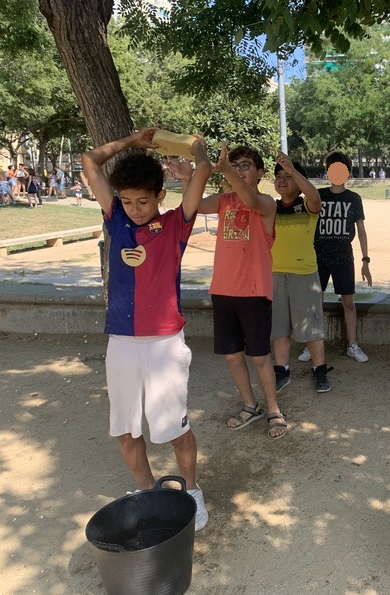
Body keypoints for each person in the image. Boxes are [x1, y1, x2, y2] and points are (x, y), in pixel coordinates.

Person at [81, 127, 212, 530]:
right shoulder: (116, 220)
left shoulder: (175, 224)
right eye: (127, 201)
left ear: (160, 196)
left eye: (143, 201)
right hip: (122, 341)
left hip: (164, 343)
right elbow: (90, 161)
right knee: (125, 430)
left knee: (174, 428)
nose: (135, 209)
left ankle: (191, 492)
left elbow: (203, 170)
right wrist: (132, 142)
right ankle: (147, 491)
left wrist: (194, 150)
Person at [168, 144, 288, 438]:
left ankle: (274, 409)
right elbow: (193, 206)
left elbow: (252, 200)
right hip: (223, 290)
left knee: (259, 356)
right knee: (233, 355)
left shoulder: (267, 203)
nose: (239, 170)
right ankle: (250, 405)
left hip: (255, 292)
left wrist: (225, 171)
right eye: (235, 165)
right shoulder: (224, 200)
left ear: (260, 173)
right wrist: (187, 178)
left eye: (245, 165)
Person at [298, 151, 372, 364]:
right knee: (315, 302)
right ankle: (311, 344)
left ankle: (352, 345)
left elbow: (361, 230)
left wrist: (365, 261)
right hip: (318, 257)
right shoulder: (318, 196)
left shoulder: (354, 199)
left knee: (348, 301)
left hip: (343, 257)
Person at [270, 153, 333, 393]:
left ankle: (320, 370)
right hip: (275, 274)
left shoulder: (307, 206)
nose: (282, 180)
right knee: (279, 327)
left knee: (312, 328)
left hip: (304, 274)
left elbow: (315, 197)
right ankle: (282, 370)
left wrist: (293, 171)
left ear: (298, 181)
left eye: (288, 176)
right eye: (279, 176)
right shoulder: (270, 207)